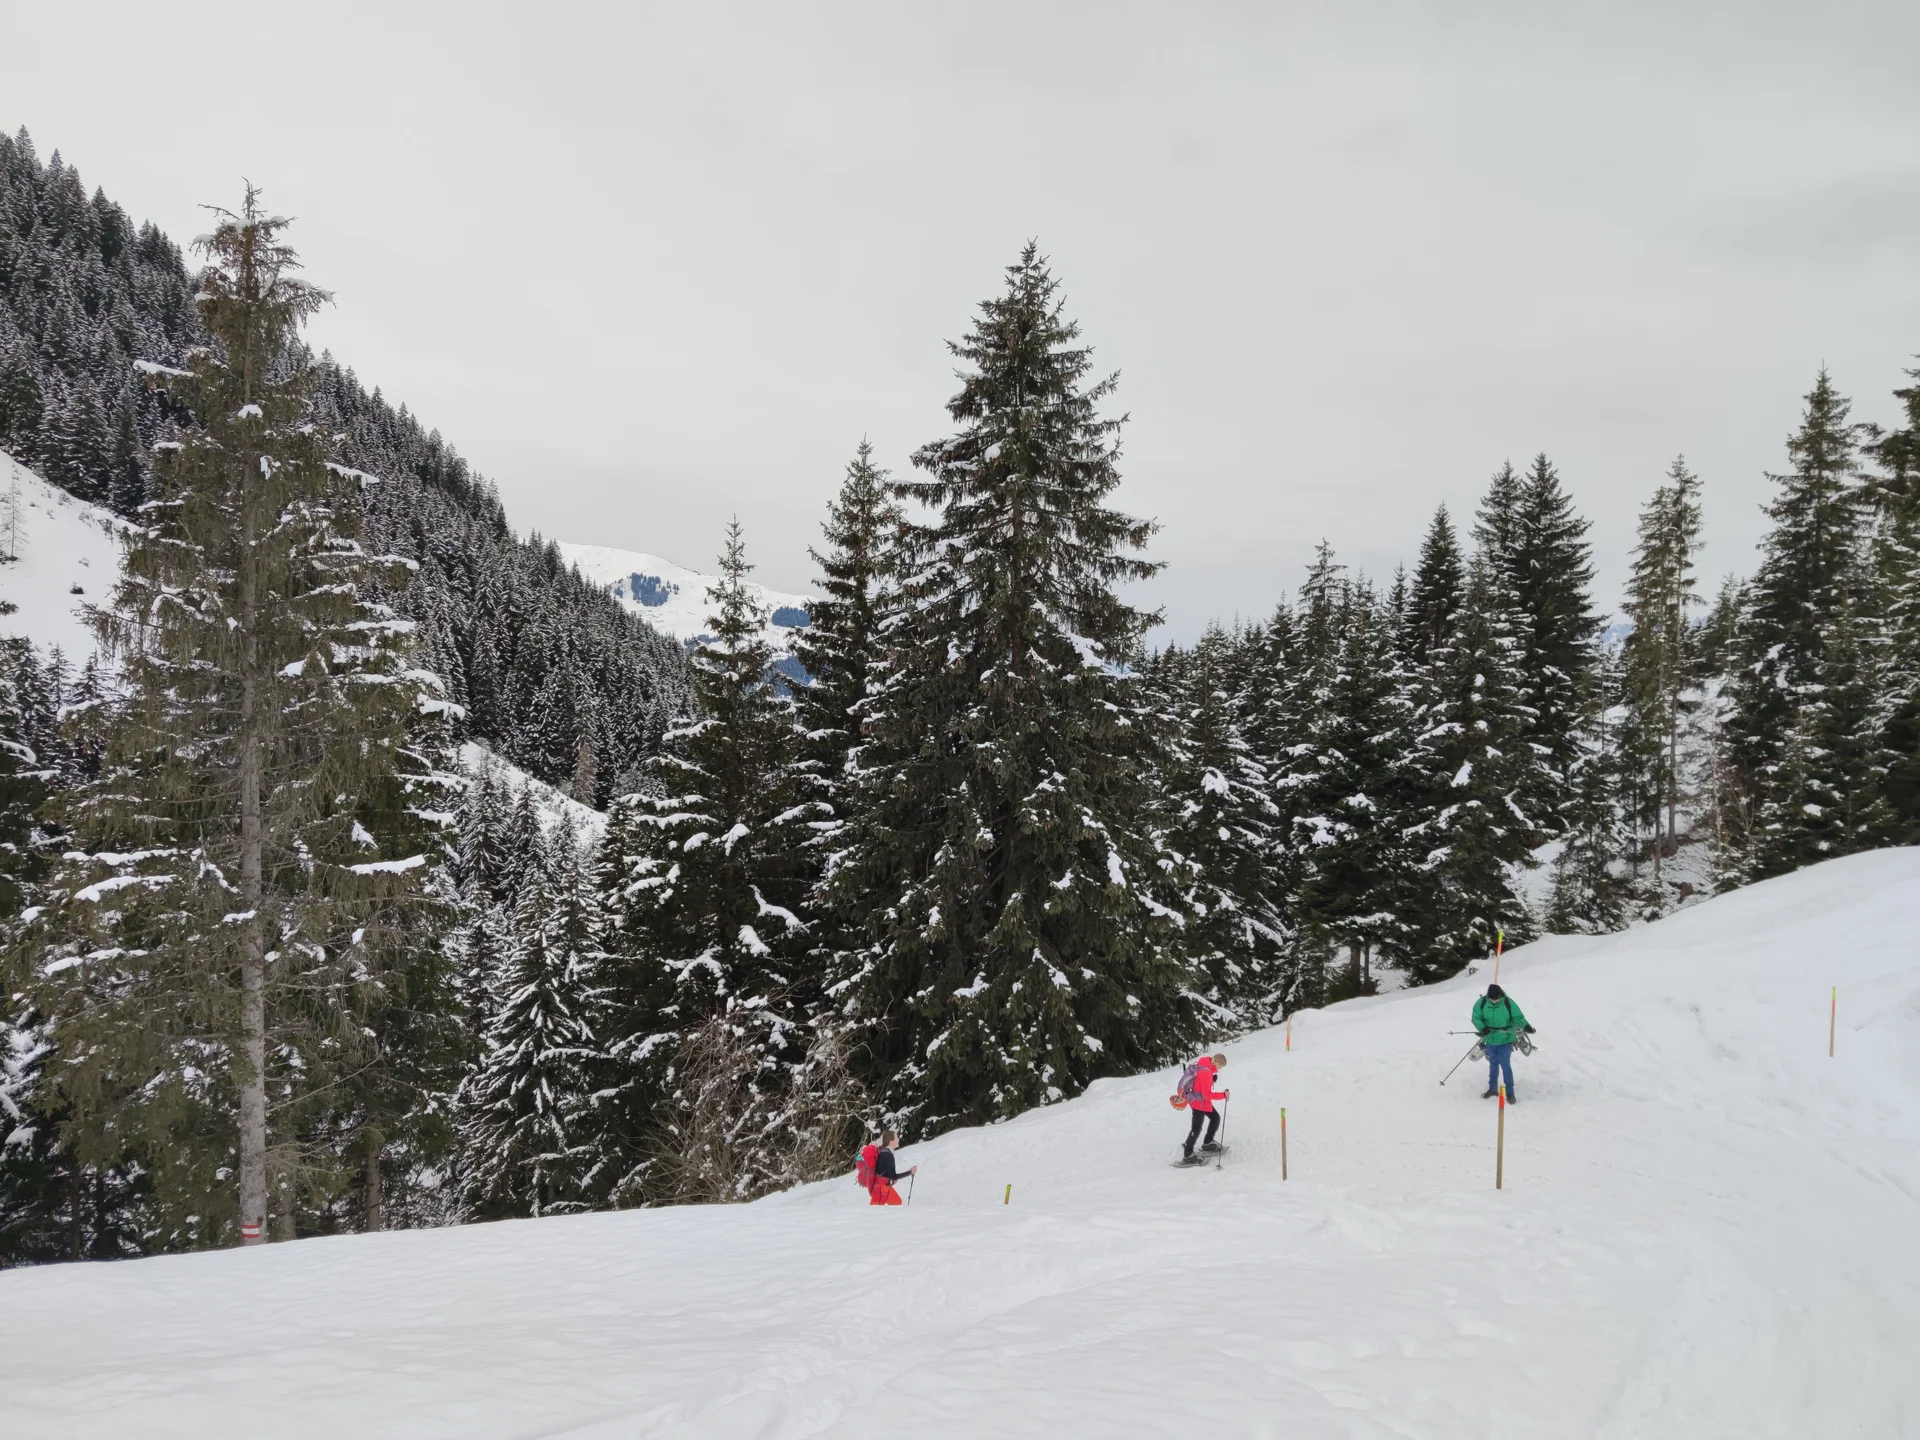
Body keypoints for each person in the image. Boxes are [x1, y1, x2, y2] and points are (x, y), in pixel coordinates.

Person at [1472, 983, 1534, 1103]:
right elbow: (1476, 1017)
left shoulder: (1508, 1002)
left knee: (1505, 1065)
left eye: (1497, 999)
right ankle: (1492, 1089)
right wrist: (1482, 1028)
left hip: (1505, 1039)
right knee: (1493, 1064)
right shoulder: (1482, 1003)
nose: (1494, 1001)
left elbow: (1518, 1017)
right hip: (1490, 1039)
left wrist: (1526, 1026)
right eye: (1492, 999)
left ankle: (1510, 1093)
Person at [1181, 1052, 1230, 1162]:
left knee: (1215, 1118)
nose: (1220, 1068)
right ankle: (1188, 1155)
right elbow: (1206, 1094)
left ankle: (1208, 1143)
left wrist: (1211, 1080)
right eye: (1220, 1066)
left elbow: (1201, 1083)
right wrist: (1223, 1095)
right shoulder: (1206, 1072)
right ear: (1216, 1062)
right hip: (1199, 1103)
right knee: (1197, 1128)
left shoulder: (1206, 1064)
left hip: (1202, 1102)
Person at [869, 1129, 916, 1205]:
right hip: (881, 1189)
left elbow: (883, 1172)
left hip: (878, 1188)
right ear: (891, 1142)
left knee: (878, 1211)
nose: (898, 1139)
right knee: (896, 1204)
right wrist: (910, 1172)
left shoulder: (883, 1152)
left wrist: (890, 1179)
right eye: (896, 1137)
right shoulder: (888, 1155)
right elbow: (893, 1176)